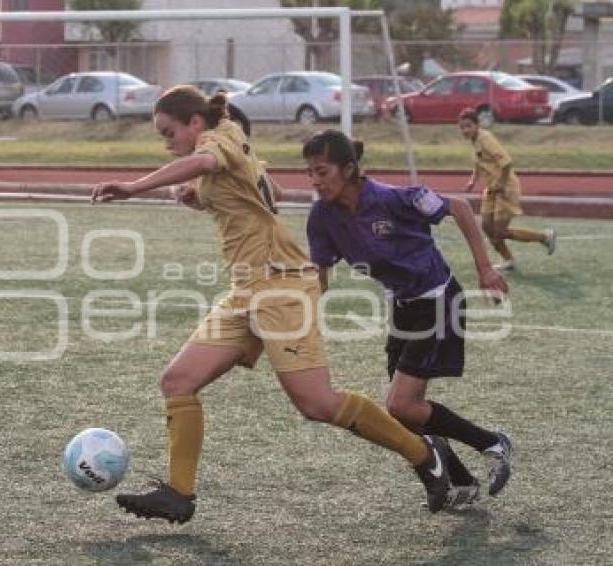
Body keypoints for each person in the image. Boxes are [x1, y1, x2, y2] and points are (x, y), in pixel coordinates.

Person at [91, 85, 454, 524]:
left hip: (281, 288)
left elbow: (206, 161)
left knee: (317, 404)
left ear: (194, 122)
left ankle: (424, 453)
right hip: (246, 290)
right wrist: (198, 197)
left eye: (169, 133)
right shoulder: (231, 140)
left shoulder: (216, 138)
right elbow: (268, 193)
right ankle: (179, 494)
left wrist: (134, 187)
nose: (166, 143)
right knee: (178, 381)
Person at [303, 129, 515, 507]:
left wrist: (485, 270)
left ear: (349, 169)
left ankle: (493, 443)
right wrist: (294, 299)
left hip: (438, 301)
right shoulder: (322, 216)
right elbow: (319, 276)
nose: (315, 182)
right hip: (402, 307)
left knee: (401, 405)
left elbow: (461, 208)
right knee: (404, 413)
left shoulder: (393, 198)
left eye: (322, 172)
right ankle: (463, 484)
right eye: (311, 173)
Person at [459, 108, 555, 271]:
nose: (465, 130)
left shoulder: (486, 139)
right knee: (487, 227)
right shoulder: (475, 141)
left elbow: (507, 162)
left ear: (477, 125)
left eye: (468, 126)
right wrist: (472, 181)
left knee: (499, 231)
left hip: (505, 188)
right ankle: (508, 260)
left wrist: (501, 184)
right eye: (462, 127)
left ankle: (544, 237)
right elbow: (479, 162)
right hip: (491, 190)